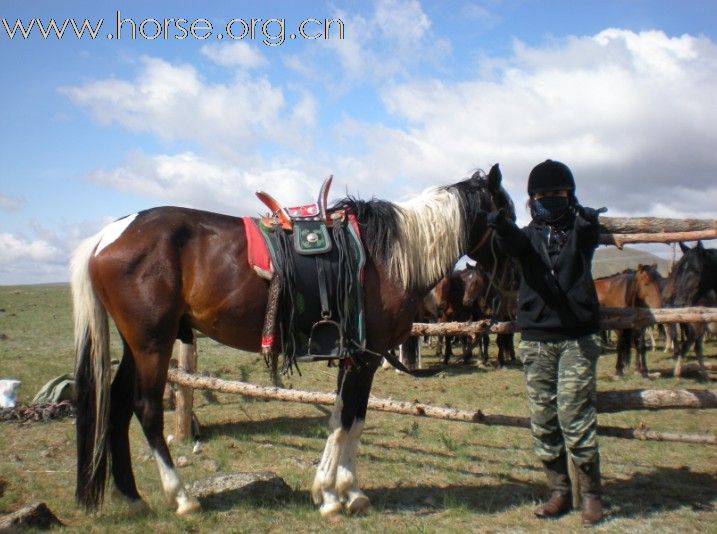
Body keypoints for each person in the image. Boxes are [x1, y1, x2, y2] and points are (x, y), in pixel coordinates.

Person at [487, 159, 605, 526]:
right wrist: (502, 227)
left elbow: (588, 232)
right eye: (541, 196)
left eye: (556, 194)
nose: (549, 200)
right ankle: (558, 492)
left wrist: (586, 219)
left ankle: (591, 496)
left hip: (577, 340)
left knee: (575, 417)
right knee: (544, 420)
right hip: (537, 341)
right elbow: (513, 242)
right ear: (531, 199)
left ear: (569, 195)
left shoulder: (582, 229)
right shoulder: (527, 236)